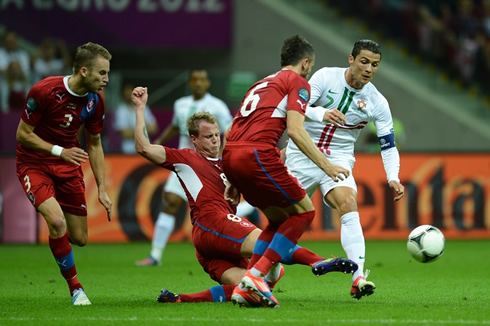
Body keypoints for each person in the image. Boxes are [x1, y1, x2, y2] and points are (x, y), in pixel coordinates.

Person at [131, 87, 357, 306]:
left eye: (216, 135)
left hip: (211, 245)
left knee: (251, 287)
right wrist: (140, 107)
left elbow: (268, 159)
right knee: (267, 243)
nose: (215, 140)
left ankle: (180, 298)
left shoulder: (228, 164)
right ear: (194, 139)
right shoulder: (184, 159)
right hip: (213, 223)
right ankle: (318, 261)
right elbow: (143, 148)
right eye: (207, 137)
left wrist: (299, 150)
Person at [222, 35, 351, 308]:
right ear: (305, 63)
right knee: (305, 212)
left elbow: (233, 127)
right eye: (311, 66)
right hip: (258, 153)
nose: (310, 71)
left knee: (278, 221)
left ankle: (246, 287)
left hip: (232, 153)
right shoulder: (297, 83)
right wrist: (326, 165)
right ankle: (256, 277)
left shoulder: (260, 83)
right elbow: (295, 129)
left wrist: (233, 176)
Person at [284, 39, 406, 300]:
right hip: (303, 152)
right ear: (350, 59)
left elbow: (388, 145)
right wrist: (322, 114)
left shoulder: (377, 102)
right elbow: (297, 108)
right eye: (364, 61)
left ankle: (358, 277)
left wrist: (393, 177)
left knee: (348, 203)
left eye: (375, 65)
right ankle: (265, 273)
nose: (369, 69)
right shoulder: (325, 77)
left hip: (339, 158)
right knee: (283, 220)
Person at [15, 42, 113, 305]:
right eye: (102, 73)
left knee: (79, 238)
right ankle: (76, 289)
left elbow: (94, 143)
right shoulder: (45, 90)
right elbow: (23, 135)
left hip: (67, 167)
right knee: (57, 222)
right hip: (34, 163)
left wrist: (102, 188)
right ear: (84, 71)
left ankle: (60, 246)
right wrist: (59, 151)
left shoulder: (95, 101)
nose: (106, 79)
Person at [134, 68, 233, 266]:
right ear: (189, 83)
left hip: (208, 166)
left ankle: (230, 245)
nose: (198, 83)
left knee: (221, 208)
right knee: (170, 201)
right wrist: (160, 141)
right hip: (185, 163)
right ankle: (155, 255)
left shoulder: (218, 106)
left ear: (208, 83)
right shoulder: (180, 104)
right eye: (194, 79)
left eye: (202, 79)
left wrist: (222, 159)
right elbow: (175, 126)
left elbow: (230, 132)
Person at [114, 82, 158, 154]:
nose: (128, 96)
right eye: (126, 94)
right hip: (128, 149)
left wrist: (132, 131)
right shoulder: (120, 110)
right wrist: (143, 131)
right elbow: (125, 134)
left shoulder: (144, 107)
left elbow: (154, 128)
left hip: (145, 148)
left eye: (129, 94)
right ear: (123, 95)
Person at [0, 30, 31, 113]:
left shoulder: (23, 55)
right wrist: (12, 67)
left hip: (20, 81)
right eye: (8, 42)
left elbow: (26, 73)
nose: (10, 43)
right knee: (4, 85)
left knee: (31, 88)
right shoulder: (1, 53)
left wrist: (14, 69)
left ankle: (28, 112)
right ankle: (4, 111)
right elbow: (2, 71)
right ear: (4, 41)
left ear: (16, 41)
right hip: (5, 81)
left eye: (12, 41)